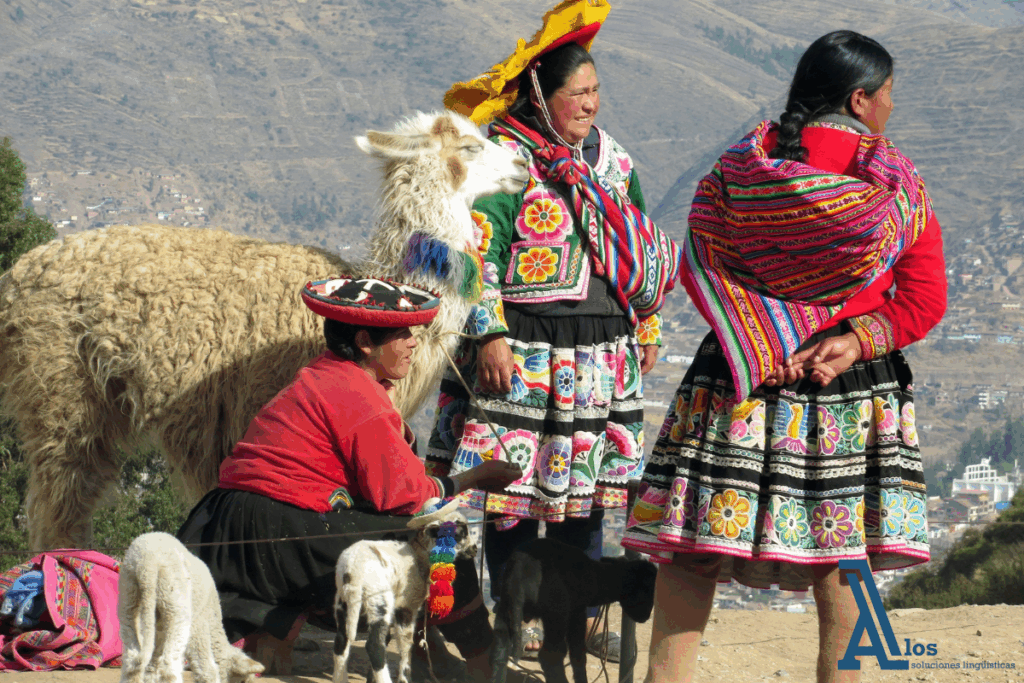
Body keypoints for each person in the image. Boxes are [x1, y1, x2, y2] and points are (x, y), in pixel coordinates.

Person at [621, 30, 946, 683]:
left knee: (694, 547)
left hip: (736, 375)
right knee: (842, 551)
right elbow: (924, 295)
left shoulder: (740, 168)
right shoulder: (891, 182)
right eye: (886, 97)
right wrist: (854, 340)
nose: (889, 110)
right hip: (848, 387)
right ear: (860, 100)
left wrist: (757, 336)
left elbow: (699, 264)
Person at [433, 0, 681, 660]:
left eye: (596, 91)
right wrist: (487, 334)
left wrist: (647, 322)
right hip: (526, 351)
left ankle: (577, 622)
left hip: (603, 354)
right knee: (514, 491)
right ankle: (508, 617)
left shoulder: (615, 164)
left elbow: (635, 246)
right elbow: (471, 251)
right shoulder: (503, 161)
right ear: (542, 94)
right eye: (578, 92)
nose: (590, 104)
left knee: (587, 492)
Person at [176, 276, 522, 679]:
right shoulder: (357, 394)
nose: (413, 343)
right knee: (443, 543)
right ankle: (485, 664)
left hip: (227, 523)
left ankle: (424, 653)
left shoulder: (326, 373)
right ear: (364, 342)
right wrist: (475, 477)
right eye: (402, 334)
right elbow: (403, 497)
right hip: (281, 527)